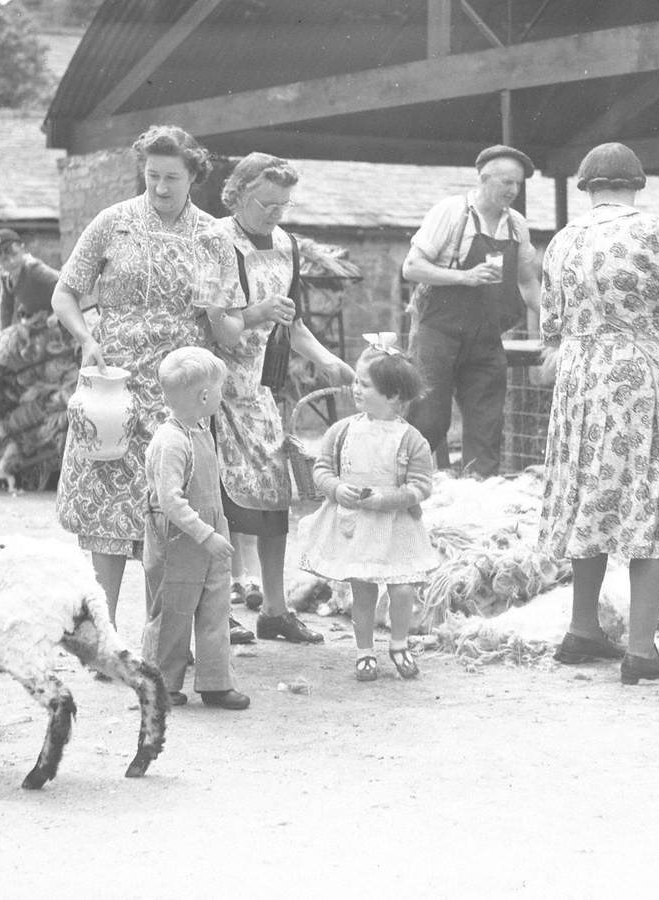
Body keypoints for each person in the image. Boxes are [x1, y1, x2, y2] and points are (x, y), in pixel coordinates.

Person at [538, 143, 659, 685]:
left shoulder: (563, 241)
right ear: (637, 184)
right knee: (652, 492)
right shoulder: (653, 230)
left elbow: (551, 325)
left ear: (588, 187)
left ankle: (582, 628)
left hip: (580, 375)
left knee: (590, 491)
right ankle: (641, 648)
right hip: (640, 372)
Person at [51, 124, 243, 626]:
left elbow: (233, 331)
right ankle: (104, 629)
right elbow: (65, 292)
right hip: (115, 383)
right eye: (152, 176)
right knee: (108, 507)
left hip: (179, 391)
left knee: (174, 506)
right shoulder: (113, 223)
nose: (160, 187)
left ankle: (166, 637)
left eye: (172, 178)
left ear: (193, 177)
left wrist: (219, 314)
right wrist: (87, 339)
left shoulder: (215, 236)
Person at [198, 151, 355, 645]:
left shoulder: (285, 243)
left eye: (283, 205)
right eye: (267, 204)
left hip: (261, 387)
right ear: (239, 194)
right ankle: (216, 611)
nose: (275, 214)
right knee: (217, 500)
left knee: (273, 495)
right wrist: (256, 310)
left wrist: (327, 359)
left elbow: (294, 320)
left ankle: (275, 608)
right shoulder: (216, 240)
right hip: (216, 385)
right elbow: (216, 326)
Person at [298, 336, 438, 681]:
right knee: (362, 589)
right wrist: (335, 489)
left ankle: (399, 643)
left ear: (392, 396)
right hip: (356, 525)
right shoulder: (342, 430)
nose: (355, 389)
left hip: (394, 526)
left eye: (364, 384)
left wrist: (384, 499)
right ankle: (364, 651)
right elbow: (322, 468)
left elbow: (421, 486)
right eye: (356, 382)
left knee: (402, 587)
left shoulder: (411, 440)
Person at [401, 144, 541, 477]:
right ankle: (407, 495)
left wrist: (556, 320)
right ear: (483, 179)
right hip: (439, 332)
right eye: (506, 182)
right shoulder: (452, 212)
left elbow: (528, 283)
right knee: (429, 419)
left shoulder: (516, 225)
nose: (513, 191)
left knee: (486, 427)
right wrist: (464, 277)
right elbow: (412, 267)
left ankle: (478, 508)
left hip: (487, 337)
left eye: (518, 184)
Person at [142, 347, 249, 710]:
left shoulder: (201, 429)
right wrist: (205, 534)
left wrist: (215, 531)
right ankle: (161, 683)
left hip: (211, 532)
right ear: (204, 396)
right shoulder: (171, 441)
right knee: (173, 609)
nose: (221, 395)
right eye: (219, 389)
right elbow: (170, 501)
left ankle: (216, 682)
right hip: (179, 539)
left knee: (215, 610)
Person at [0, 228, 60, 330]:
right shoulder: (5, 274)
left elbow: (65, 285)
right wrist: (3, 331)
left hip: (58, 315)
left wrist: (58, 314)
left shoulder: (33, 269)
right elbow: (6, 305)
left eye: (15, 254)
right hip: (34, 319)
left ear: (22, 249)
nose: (11, 262)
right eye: (4, 260)